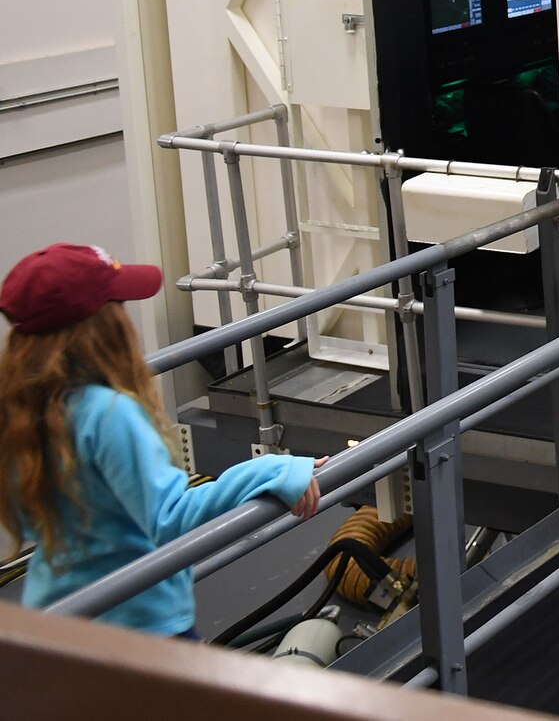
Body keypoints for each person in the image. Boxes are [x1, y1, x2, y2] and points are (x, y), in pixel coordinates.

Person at [0, 243, 323, 638]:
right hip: (136, 626)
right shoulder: (107, 413)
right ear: (104, 327)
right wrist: (274, 469)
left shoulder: (20, 408)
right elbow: (171, 518)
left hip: (56, 616)